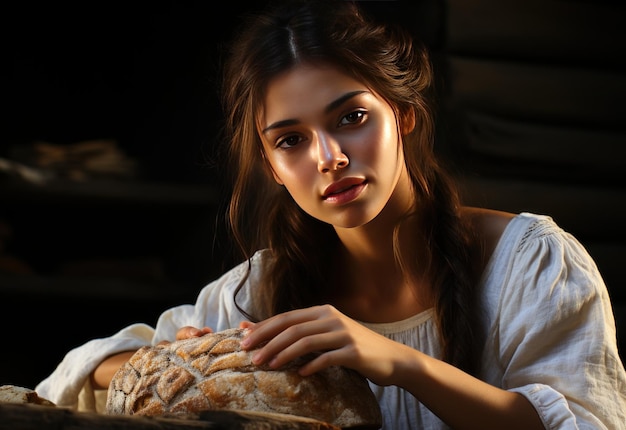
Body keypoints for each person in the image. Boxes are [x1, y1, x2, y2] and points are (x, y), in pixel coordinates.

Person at [36, 0, 626, 428]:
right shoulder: (262, 287)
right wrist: (185, 363)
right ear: (271, 166)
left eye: (351, 117)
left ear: (404, 115)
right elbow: (87, 366)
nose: (330, 157)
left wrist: (401, 365)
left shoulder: (530, 262)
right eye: (290, 140)